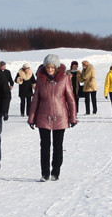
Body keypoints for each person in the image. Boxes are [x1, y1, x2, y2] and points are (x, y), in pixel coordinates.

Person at [28, 53, 78, 181]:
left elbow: (71, 99)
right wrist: (31, 118)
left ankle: (55, 171)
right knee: (44, 146)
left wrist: (73, 117)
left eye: (52, 67)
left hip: (60, 116)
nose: (50, 70)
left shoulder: (64, 78)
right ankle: (45, 173)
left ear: (56, 67)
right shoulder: (40, 79)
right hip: (43, 116)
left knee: (58, 145)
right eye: (47, 67)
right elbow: (35, 99)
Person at [0, 57, 15, 121]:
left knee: (6, 101)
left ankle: (5, 112)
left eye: (5, 65)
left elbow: (11, 80)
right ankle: (0, 112)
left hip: (6, 89)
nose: (4, 66)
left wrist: (11, 85)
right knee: (0, 101)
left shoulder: (7, 72)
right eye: (3, 66)